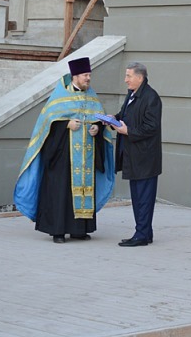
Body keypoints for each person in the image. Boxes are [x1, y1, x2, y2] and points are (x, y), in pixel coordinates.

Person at [14, 57, 115, 243]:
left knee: (84, 189)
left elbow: (98, 120)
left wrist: (97, 129)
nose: (88, 78)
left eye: (89, 75)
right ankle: (58, 231)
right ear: (75, 76)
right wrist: (66, 124)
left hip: (86, 155)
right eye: (85, 75)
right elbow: (46, 125)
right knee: (61, 192)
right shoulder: (59, 97)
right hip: (62, 156)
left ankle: (79, 229)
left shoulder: (91, 97)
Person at [111, 61, 162, 247]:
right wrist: (113, 119)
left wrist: (127, 131)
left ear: (140, 78)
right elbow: (125, 115)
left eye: (128, 76)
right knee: (138, 197)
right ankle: (145, 233)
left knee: (144, 198)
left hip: (145, 159)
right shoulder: (132, 94)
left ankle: (141, 235)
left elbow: (151, 127)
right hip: (134, 157)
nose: (125, 80)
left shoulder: (151, 97)